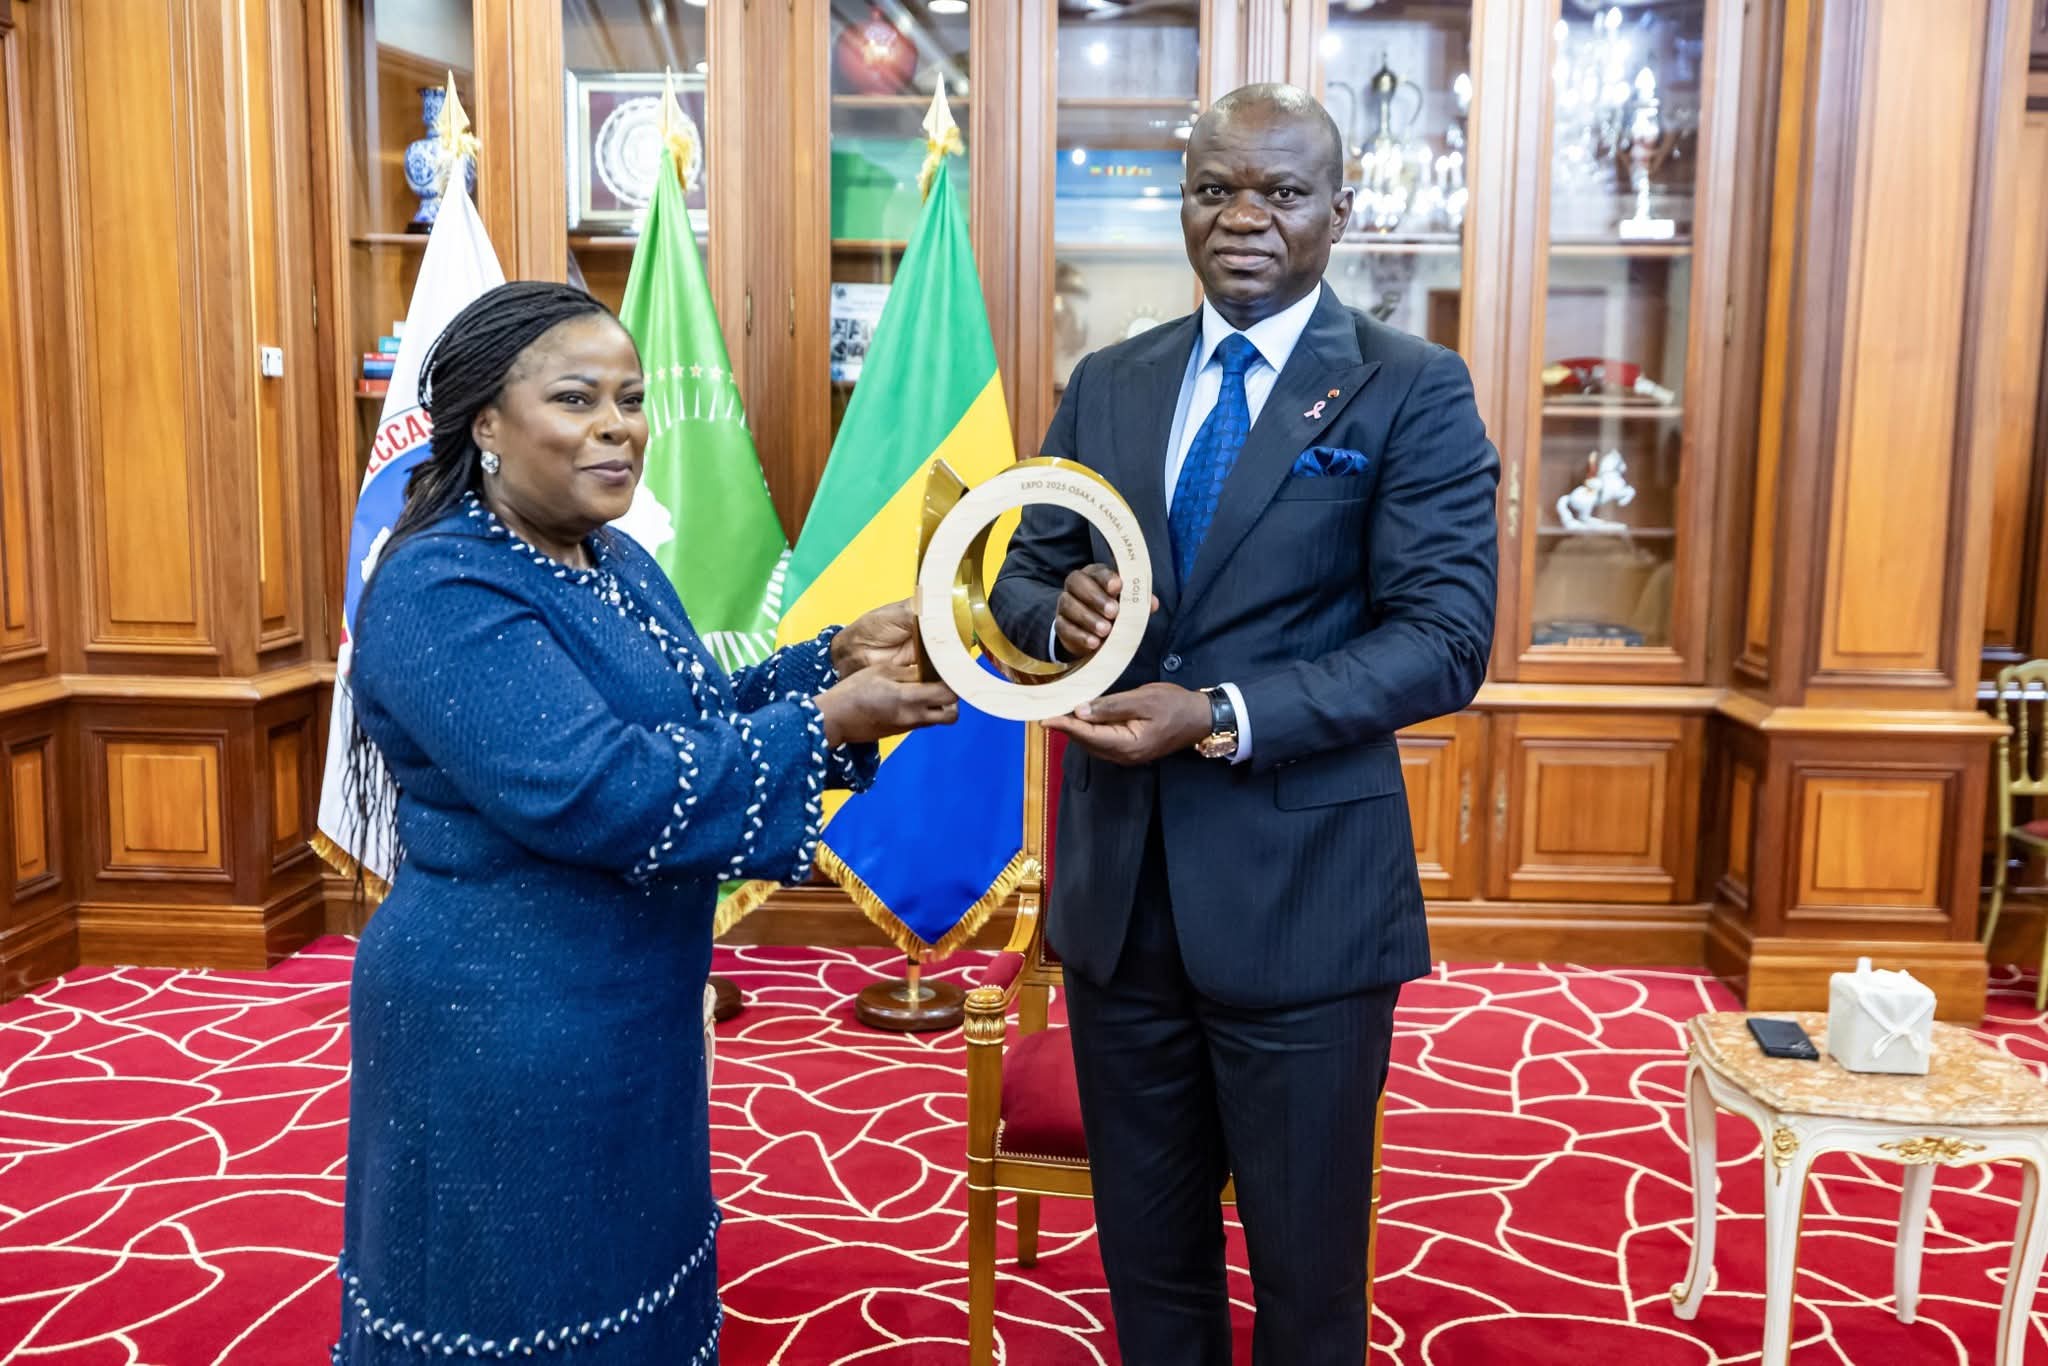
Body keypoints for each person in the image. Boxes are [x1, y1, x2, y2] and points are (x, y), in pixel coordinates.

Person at [333, 281, 956, 1363]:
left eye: (630, 398)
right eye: (577, 399)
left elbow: (690, 719)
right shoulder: (440, 587)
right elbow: (592, 786)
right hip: (501, 1022)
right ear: (484, 422)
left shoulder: (609, 557)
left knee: (625, 1285)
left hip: (626, 1004)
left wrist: (832, 659)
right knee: (511, 1307)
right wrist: (820, 723)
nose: (618, 426)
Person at [991, 84, 1499, 1364]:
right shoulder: (1111, 380)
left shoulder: (1409, 390)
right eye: (1215, 189)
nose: (1243, 217)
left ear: (1340, 209)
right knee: (1148, 1268)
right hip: (1119, 903)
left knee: (1305, 1282)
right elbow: (1016, 574)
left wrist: (1217, 711)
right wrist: (1061, 615)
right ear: (1181, 203)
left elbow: (1442, 641)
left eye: (1279, 192)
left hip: (1302, 910)